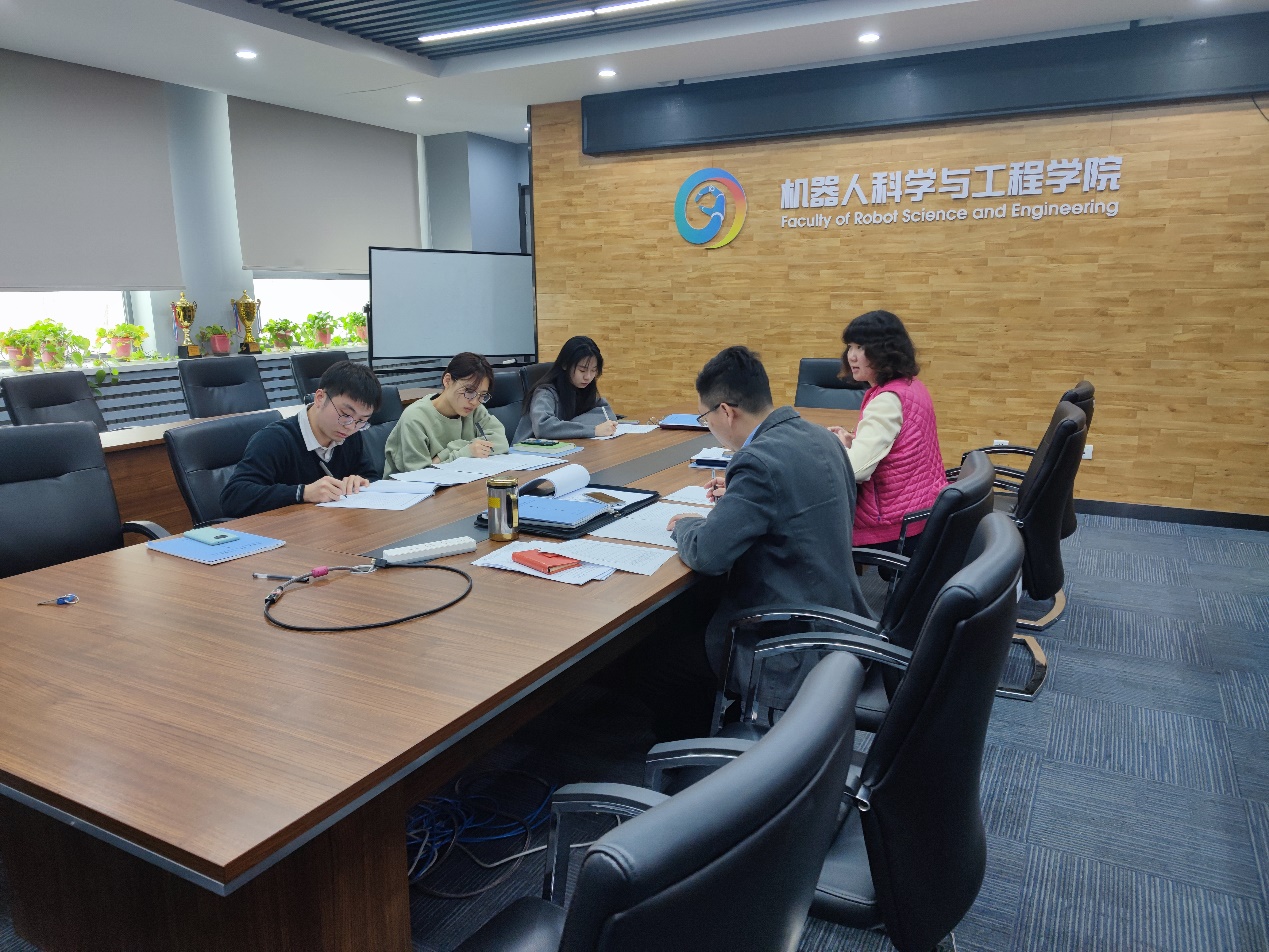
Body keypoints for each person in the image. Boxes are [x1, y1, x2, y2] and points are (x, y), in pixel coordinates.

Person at [665, 345, 870, 717]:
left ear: (726, 411)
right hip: (842, 621)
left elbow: (708, 554)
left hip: (790, 648)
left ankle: (700, 749)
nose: (709, 427)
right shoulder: (822, 437)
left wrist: (684, 525)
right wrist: (738, 496)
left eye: (705, 418)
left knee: (662, 655)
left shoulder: (757, 460)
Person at [827, 310, 948, 552]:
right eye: (850, 346)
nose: (852, 356)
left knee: (809, 525)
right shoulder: (911, 386)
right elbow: (900, 448)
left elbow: (855, 470)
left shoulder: (887, 399)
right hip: (921, 508)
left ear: (885, 351)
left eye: (861, 347)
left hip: (894, 525)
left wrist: (837, 448)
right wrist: (854, 442)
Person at [221, 360, 381, 517]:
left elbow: (372, 477)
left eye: (362, 421)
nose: (351, 427)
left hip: (330, 526)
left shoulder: (349, 435)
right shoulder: (274, 439)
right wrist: (303, 492)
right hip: (284, 529)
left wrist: (360, 482)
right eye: (345, 414)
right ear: (320, 398)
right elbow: (233, 497)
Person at [383, 352, 508, 476]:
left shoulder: (475, 410)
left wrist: (447, 454)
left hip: (458, 482)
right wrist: (466, 451)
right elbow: (419, 476)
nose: (474, 402)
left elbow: (501, 442)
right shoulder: (415, 418)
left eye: (482, 395)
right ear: (447, 381)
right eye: (469, 391)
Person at [511, 336, 618, 444]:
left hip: (564, 448)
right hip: (530, 450)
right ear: (565, 364)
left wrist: (567, 428)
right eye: (582, 370)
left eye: (593, 370)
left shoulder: (583, 388)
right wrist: (592, 430)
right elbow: (543, 427)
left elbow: (607, 413)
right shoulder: (545, 393)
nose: (588, 377)